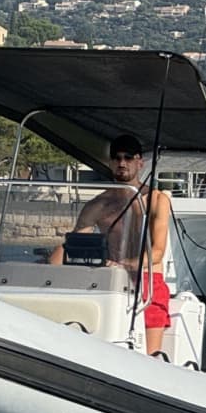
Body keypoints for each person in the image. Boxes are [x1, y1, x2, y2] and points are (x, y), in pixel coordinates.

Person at [49, 134, 172, 355]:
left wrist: (126, 264)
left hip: (147, 281)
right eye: (116, 158)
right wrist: (47, 268)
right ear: (110, 162)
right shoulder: (98, 205)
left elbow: (157, 253)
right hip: (110, 281)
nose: (122, 163)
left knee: (151, 353)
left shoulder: (156, 200)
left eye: (127, 157)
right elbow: (76, 243)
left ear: (139, 162)